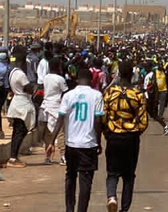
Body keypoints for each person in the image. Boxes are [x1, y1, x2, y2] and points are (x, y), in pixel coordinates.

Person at [47, 68, 104, 212]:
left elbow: (60, 119)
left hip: (71, 143)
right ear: (91, 80)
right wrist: (98, 141)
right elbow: (98, 121)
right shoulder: (97, 95)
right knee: (85, 180)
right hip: (88, 143)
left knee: (70, 177)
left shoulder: (68, 95)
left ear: (77, 80)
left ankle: (69, 208)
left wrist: (51, 142)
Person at [103, 60, 148, 212]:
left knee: (112, 173)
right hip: (131, 138)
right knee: (129, 176)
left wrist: (107, 132)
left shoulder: (110, 93)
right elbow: (143, 122)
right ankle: (124, 209)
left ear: (119, 74)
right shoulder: (138, 94)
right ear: (132, 74)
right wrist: (134, 132)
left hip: (113, 136)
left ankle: (111, 196)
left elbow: (103, 116)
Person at [6, 45, 36, 168]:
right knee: (20, 132)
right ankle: (13, 158)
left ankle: (13, 156)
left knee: (17, 131)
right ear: (22, 62)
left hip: (16, 103)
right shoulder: (21, 75)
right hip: (22, 104)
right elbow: (28, 89)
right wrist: (35, 87)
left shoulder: (12, 72)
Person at [42, 57, 68, 165]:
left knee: (48, 132)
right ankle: (63, 156)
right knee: (61, 133)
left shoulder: (46, 77)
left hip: (46, 106)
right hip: (57, 106)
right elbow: (65, 92)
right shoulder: (60, 79)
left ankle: (47, 157)